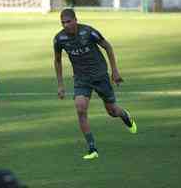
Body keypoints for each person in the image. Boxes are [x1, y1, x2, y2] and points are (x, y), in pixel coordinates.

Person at [53, 9, 137, 160]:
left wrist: (115, 71)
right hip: (81, 79)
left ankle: (125, 115)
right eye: (63, 22)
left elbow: (108, 46)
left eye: (68, 21)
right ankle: (92, 148)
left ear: (75, 20)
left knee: (112, 111)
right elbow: (57, 60)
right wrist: (60, 85)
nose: (66, 25)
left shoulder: (89, 32)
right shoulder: (59, 39)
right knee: (80, 108)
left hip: (100, 75)